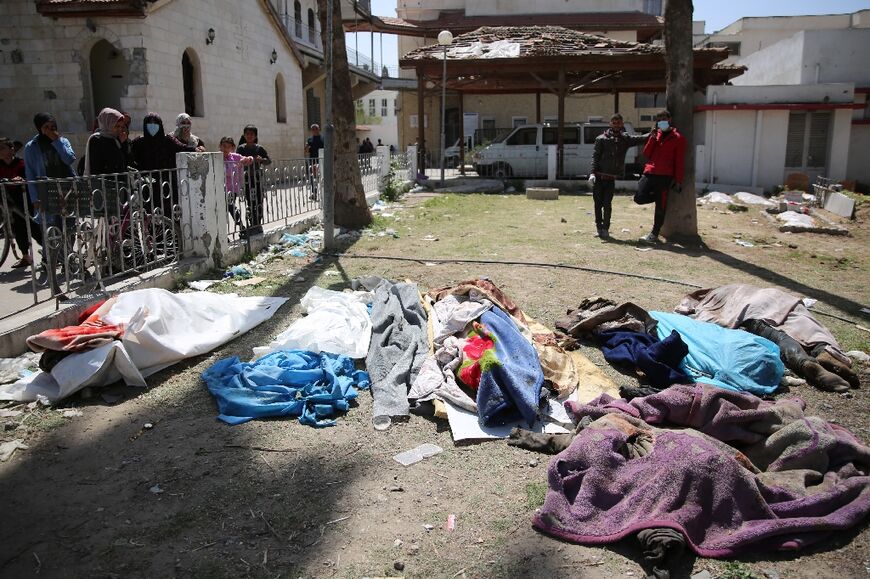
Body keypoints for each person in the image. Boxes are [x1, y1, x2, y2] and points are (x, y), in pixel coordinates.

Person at [588, 113, 649, 239]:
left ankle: (606, 229)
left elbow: (640, 139)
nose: (616, 125)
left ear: (622, 124)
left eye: (618, 122)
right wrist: (592, 173)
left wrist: (652, 133)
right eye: (614, 122)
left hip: (610, 179)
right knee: (597, 204)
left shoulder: (624, 139)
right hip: (599, 177)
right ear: (610, 123)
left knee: (607, 204)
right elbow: (595, 156)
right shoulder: (601, 139)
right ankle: (599, 228)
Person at [131, 112, 197, 217]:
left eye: (155, 123)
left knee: (169, 212)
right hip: (148, 184)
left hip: (166, 183)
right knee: (151, 213)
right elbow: (131, 157)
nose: (152, 126)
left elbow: (181, 147)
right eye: (149, 123)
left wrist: (195, 149)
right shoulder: (139, 142)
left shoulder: (167, 140)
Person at [635, 110, 686, 244]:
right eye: (659, 119)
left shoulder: (678, 138)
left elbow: (679, 161)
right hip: (649, 172)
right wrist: (652, 138)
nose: (662, 121)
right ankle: (657, 197)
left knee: (660, 207)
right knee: (638, 197)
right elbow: (646, 153)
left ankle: (654, 234)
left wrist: (678, 181)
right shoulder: (655, 135)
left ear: (669, 119)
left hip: (665, 176)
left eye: (664, 118)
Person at [0, 137, 42, 268]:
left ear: (12, 149)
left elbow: (29, 178)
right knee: (18, 230)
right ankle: (25, 256)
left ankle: (51, 253)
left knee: (34, 228)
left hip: (24, 201)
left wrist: (20, 179)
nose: (0, 151)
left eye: (2, 148)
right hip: (7, 202)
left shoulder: (21, 164)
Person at [236, 124, 271, 234]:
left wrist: (261, 160)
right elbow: (236, 160)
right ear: (244, 135)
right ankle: (252, 224)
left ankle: (258, 223)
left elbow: (268, 160)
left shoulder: (259, 148)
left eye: (252, 134)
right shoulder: (241, 148)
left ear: (255, 136)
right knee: (249, 202)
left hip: (257, 178)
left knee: (259, 200)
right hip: (246, 178)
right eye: (247, 134)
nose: (250, 136)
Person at [219, 136, 253, 234]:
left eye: (228, 147)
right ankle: (224, 233)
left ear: (232, 148)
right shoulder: (216, 157)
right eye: (224, 146)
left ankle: (241, 227)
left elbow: (249, 160)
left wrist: (246, 159)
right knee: (222, 211)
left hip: (232, 189)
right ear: (220, 146)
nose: (225, 149)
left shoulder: (234, 156)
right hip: (219, 189)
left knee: (230, 207)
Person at [84, 107, 128, 176]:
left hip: (118, 183)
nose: (120, 129)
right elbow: (98, 165)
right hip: (105, 183)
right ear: (107, 123)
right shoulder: (96, 139)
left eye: (121, 127)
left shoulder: (115, 139)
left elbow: (125, 161)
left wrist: (123, 143)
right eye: (116, 126)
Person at [304, 123, 323, 201]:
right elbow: (306, 151)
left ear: (318, 129)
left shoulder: (323, 138)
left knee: (322, 178)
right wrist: (306, 148)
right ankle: (314, 194)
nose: (314, 130)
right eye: (313, 129)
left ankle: (323, 193)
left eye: (316, 128)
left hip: (322, 161)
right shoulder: (309, 140)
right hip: (313, 161)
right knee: (313, 178)